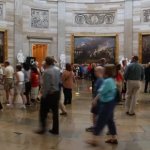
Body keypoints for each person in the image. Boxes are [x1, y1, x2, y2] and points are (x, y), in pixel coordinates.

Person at [86, 66, 118, 146]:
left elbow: (101, 92)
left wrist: (95, 100)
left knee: (100, 121)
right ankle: (113, 138)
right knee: (110, 121)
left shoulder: (107, 81)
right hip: (111, 102)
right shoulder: (111, 80)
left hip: (106, 104)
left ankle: (94, 141)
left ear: (106, 73)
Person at [35, 56, 61, 135]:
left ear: (46, 62)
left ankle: (42, 129)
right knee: (55, 113)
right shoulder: (57, 69)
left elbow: (46, 86)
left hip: (49, 94)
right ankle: (55, 130)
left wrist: (43, 96)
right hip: (57, 92)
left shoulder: (46, 72)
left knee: (43, 112)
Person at [86, 66, 104, 132]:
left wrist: (95, 100)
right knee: (95, 114)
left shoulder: (101, 80)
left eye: (95, 71)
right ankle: (95, 126)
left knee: (95, 114)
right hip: (97, 100)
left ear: (99, 72)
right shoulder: (98, 79)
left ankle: (96, 127)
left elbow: (101, 91)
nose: (94, 73)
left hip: (98, 101)